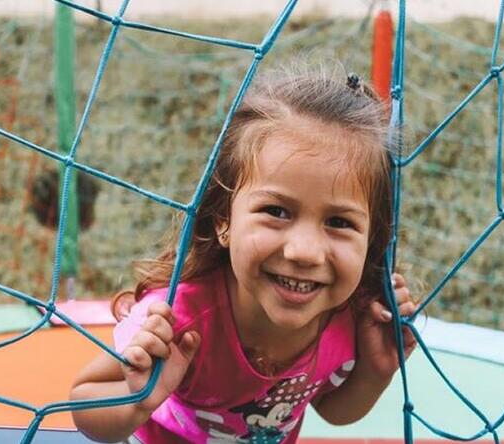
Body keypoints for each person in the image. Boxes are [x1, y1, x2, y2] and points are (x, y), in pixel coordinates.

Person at [70, 65, 418, 444]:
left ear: (371, 238)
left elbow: (332, 410)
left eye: (338, 222)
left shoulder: (349, 315)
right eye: (277, 211)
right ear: (224, 220)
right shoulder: (178, 319)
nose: (304, 252)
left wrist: (375, 371)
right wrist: (137, 399)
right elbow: (83, 402)